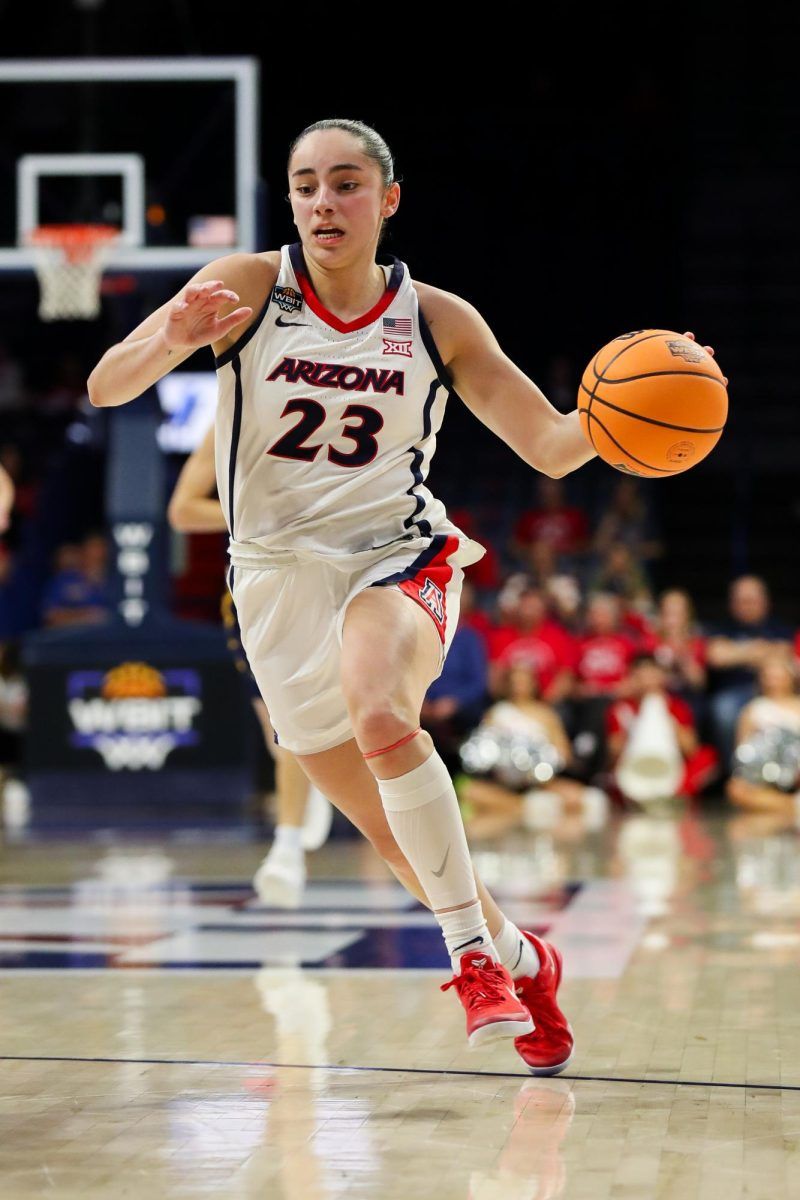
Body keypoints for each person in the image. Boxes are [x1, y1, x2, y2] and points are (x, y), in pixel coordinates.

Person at [88, 115, 720, 1070]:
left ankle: (471, 959)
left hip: (398, 551)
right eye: (305, 185)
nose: (321, 203)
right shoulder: (250, 288)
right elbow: (104, 386)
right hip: (272, 582)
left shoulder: (436, 318)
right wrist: (170, 335)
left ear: (386, 201)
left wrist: (634, 411)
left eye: (345, 184)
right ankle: (519, 953)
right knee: (400, 842)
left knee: (384, 710)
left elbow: (551, 446)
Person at [167, 422, 333, 907]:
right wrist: (257, 516)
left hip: (330, 580)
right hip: (255, 590)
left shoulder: (343, 401)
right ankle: (308, 792)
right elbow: (182, 510)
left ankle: (286, 851)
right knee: (281, 731)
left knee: (299, 729)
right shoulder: (230, 421)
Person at [605, 652, 718, 808]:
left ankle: (674, 795)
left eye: (652, 675)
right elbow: (613, 751)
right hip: (635, 767)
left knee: (707, 758)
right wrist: (633, 728)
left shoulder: (677, 707)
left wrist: (667, 719)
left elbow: (691, 749)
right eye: (640, 677)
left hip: (672, 767)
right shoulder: (621, 709)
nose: (647, 682)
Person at [705, 575, 794, 771]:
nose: (746, 606)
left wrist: (738, 651)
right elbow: (717, 656)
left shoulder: (780, 627)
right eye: (741, 601)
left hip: (774, 693)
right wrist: (761, 650)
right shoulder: (721, 627)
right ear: (732, 603)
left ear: (765, 601)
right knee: (724, 709)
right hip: (735, 693)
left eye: (751, 600)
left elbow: (787, 654)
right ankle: (738, 774)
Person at [726, 651, 800, 817]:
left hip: (796, 771)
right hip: (766, 776)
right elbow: (741, 752)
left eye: (778, 676)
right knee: (736, 790)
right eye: (769, 676)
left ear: (790, 677)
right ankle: (792, 806)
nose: (773, 682)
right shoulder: (752, 709)